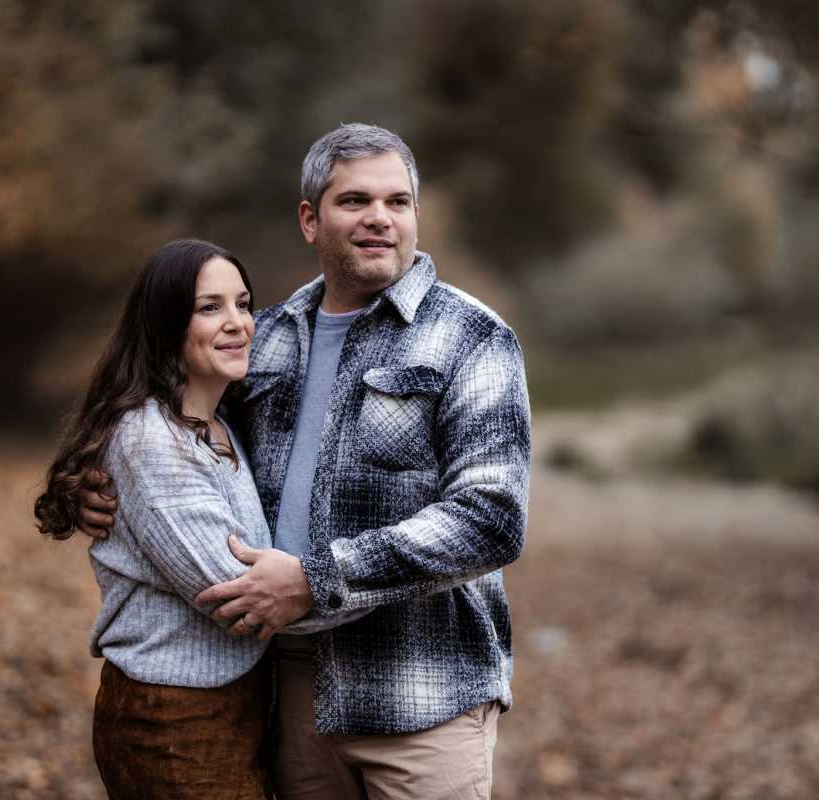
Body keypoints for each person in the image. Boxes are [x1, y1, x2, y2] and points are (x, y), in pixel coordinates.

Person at [79, 124, 531, 800]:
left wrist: (317, 580)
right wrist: (93, 477)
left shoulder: (472, 338)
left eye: (398, 202)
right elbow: (185, 444)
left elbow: (491, 520)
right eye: (354, 201)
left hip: (420, 697)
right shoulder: (267, 338)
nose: (380, 218)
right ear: (310, 219)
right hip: (292, 699)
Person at [34, 239, 274, 799]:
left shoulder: (217, 424)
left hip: (231, 705)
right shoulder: (154, 440)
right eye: (210, 307)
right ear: (166, 324)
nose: (237, 323)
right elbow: (236, 595)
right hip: (172, 717)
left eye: (243, 303)